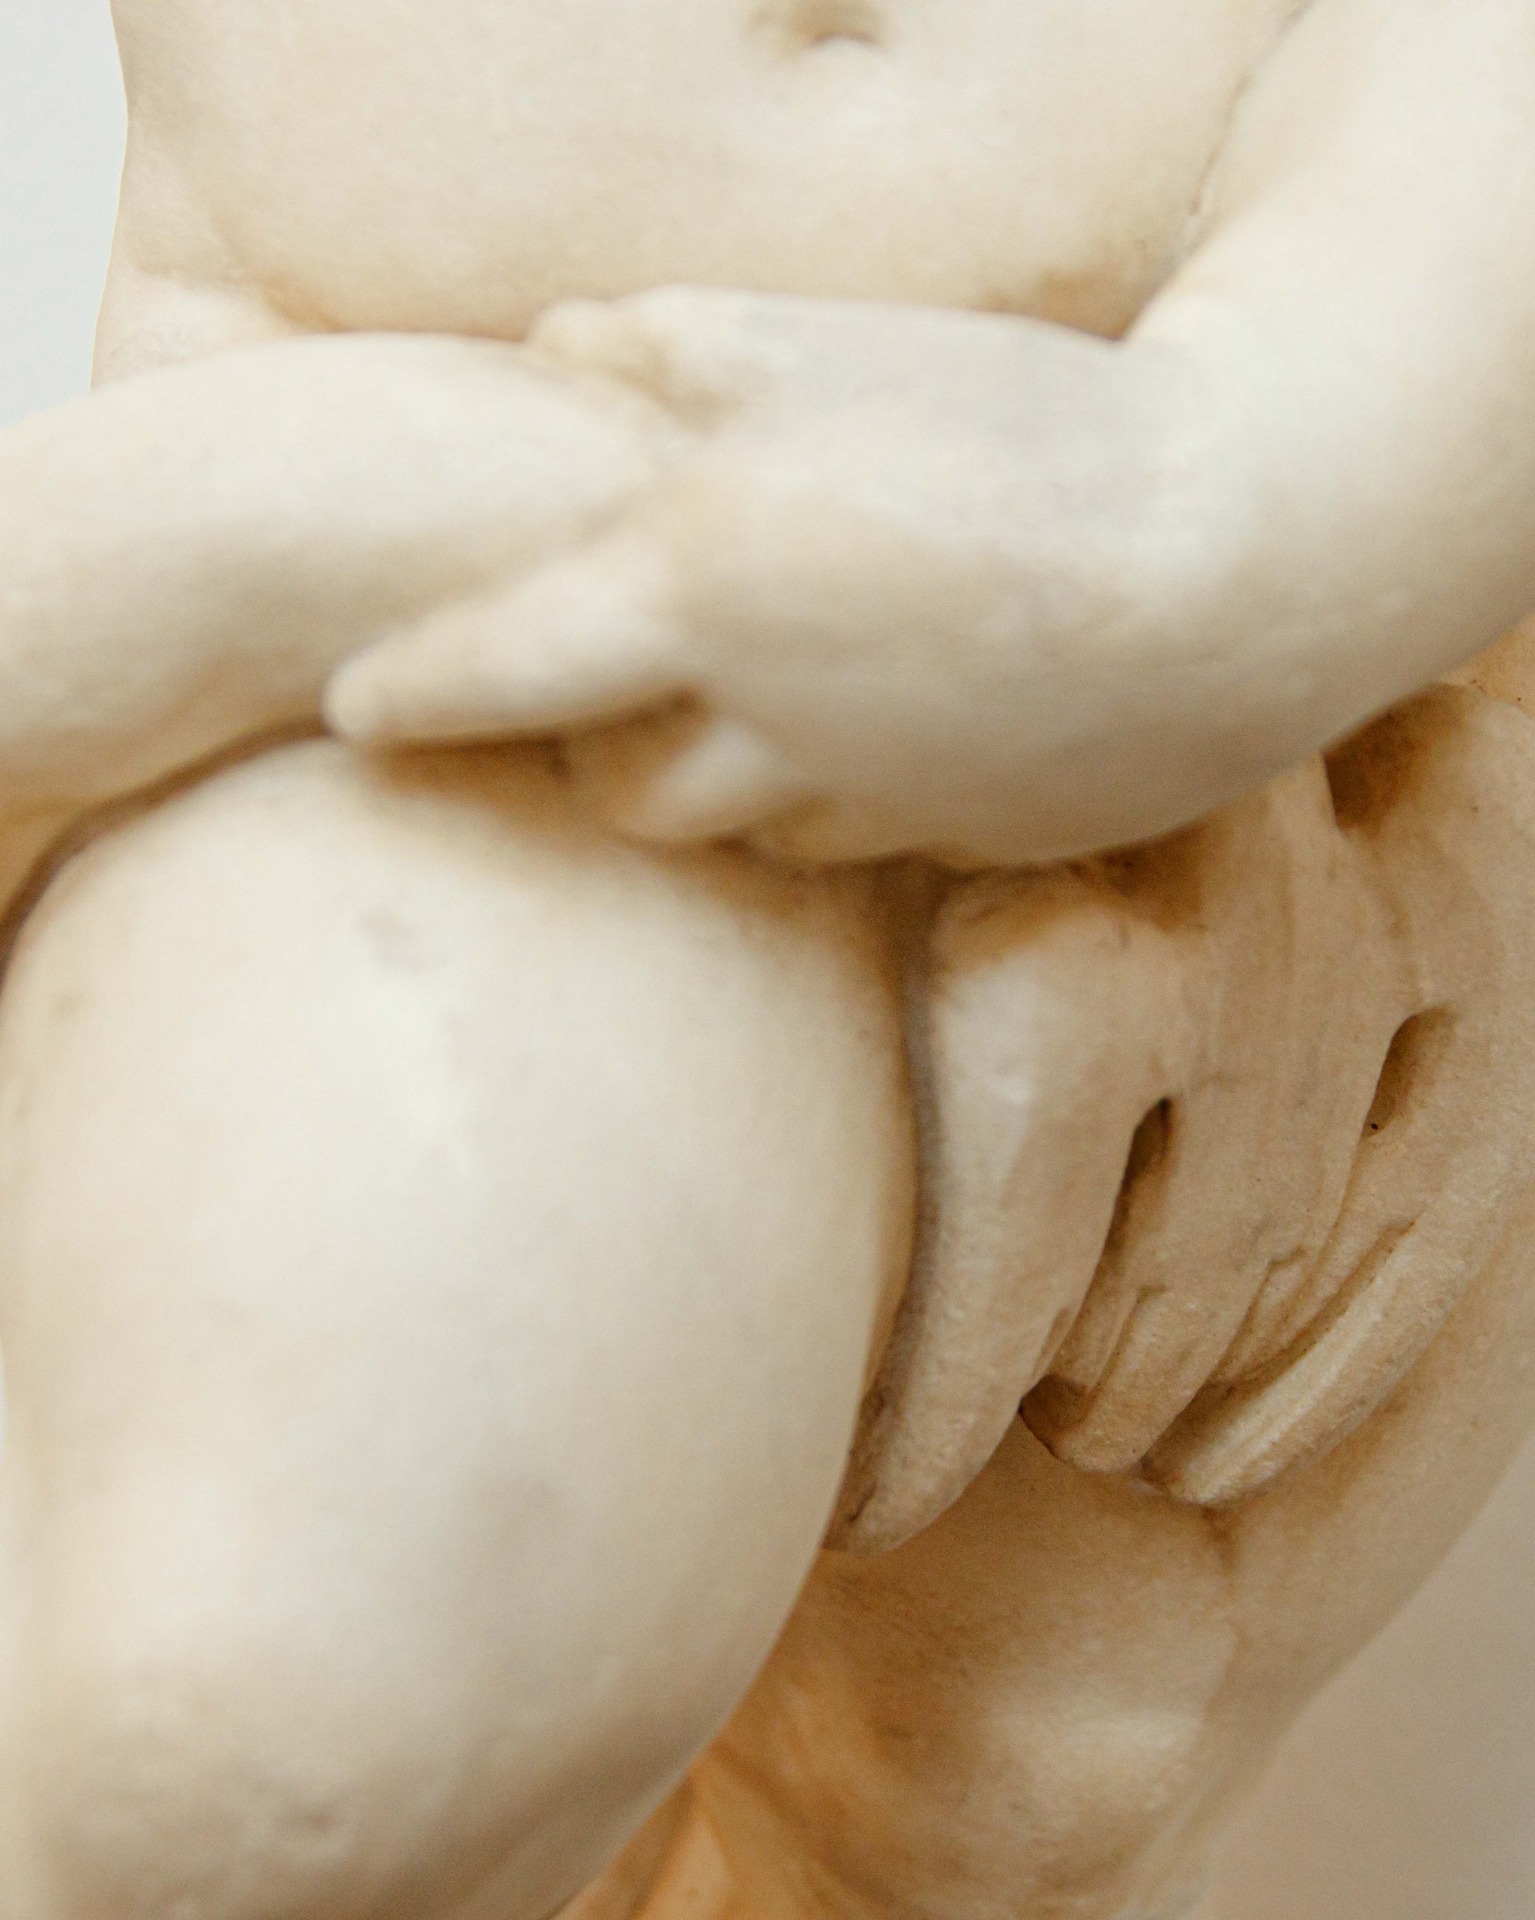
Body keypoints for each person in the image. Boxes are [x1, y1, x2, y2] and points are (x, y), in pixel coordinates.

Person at [1, 1, 1534, 1913]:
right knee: (276, 1744)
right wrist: (356, 538)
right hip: (448, 739)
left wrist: (1267, 549)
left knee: (1014, 1798)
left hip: (1299, 771)